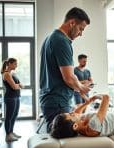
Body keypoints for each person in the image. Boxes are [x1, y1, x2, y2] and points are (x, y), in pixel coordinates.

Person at [39, 7, 91, 135]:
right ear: (72, 23)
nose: (81, 33)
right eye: (81, 29)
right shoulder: (62, 41)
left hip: (51, 100)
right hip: (57, 102)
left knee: (55, 143)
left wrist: (78, 85)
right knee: (61, 146)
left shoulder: (50, 38)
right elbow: (68, 77)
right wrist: (81, 88)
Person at [1, 58, 23, 142]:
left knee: (14, 115)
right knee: (9, 117)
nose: (16, 66)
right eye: (15, 64)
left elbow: (20, 84)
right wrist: (19, 85)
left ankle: (11, 132)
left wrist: (18, 85)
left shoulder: (12, 74)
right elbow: (14, 87)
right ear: (9, 64)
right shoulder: (6, 74)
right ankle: (8, 135)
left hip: (16, 97)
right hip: (10, 98)